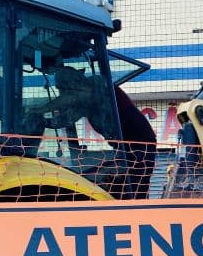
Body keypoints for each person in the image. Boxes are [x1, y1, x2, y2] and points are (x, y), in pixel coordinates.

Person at [42, 66, 157, 199]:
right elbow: (66, 118)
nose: (63, 94)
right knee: (120, 186)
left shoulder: (97, 85)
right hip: (123, 148)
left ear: (73, 84)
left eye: (63, 90)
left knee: (135, 189)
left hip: (140, 145)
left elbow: (71, 101)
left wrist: (41, 110)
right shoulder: (84, 102)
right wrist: (45, 121)